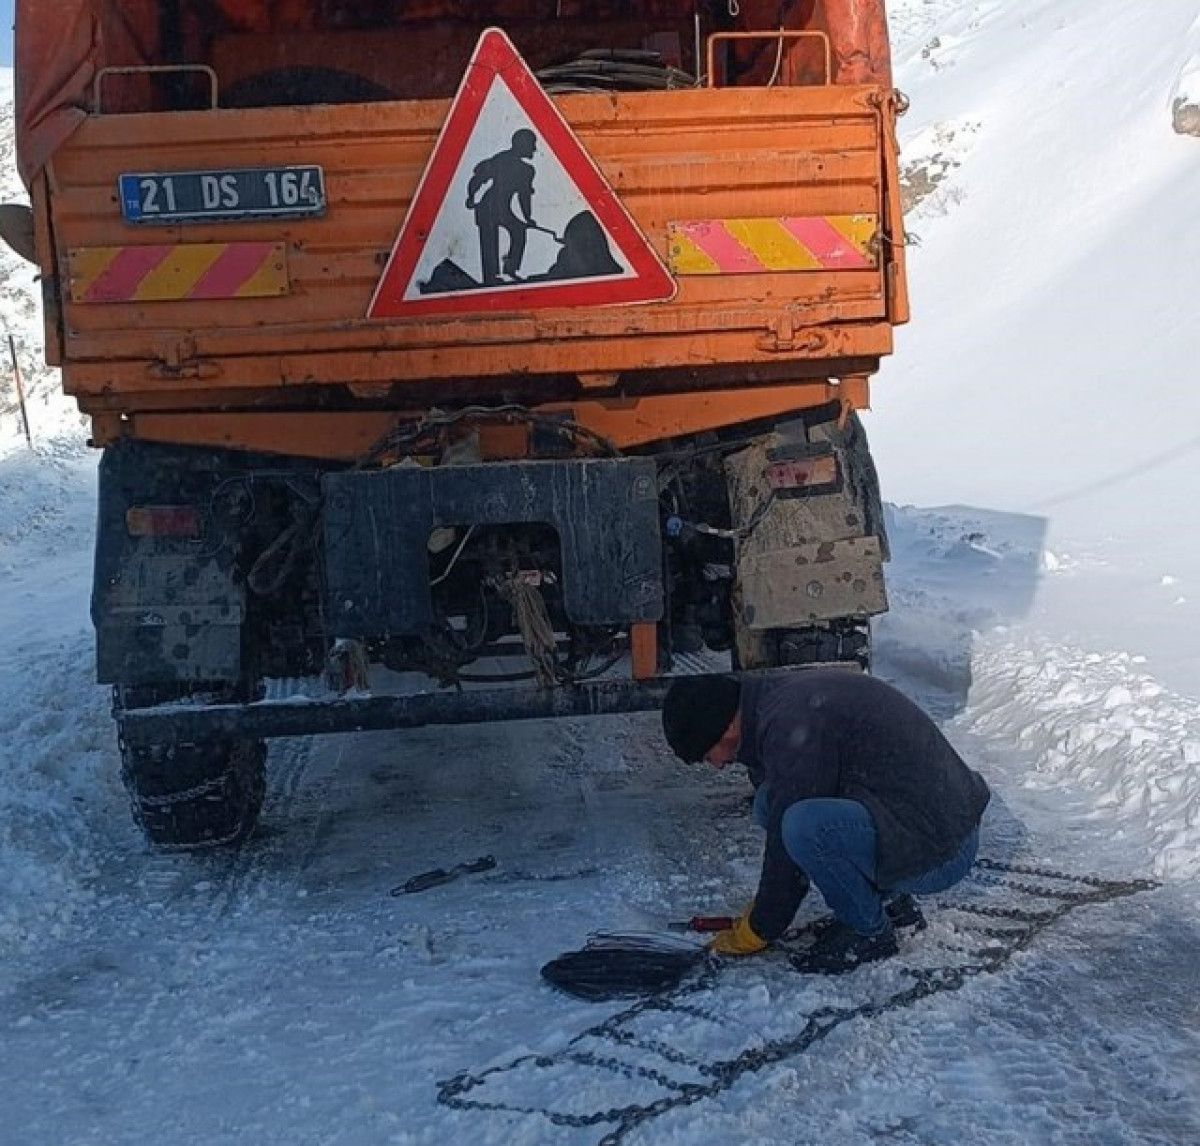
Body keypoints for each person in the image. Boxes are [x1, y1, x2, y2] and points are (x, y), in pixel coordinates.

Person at [661, 670, 990, 973]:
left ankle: (869, 933)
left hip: (941, 850)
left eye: (708, 755)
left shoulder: (789, 725)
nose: (716, 767)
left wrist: (761, 926)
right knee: (769, 803)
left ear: (726, 728)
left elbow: (786, 846)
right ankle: (890, 904)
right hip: (929, 822)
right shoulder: (773, 702)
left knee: (803, 827)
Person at [465, 129, 539, 285]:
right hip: (487, 207)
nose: (534, 149)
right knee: (489, 241)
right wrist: (471, 197)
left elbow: (524, 197)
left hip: (503, 208)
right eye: (532, 145)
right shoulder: (500, 160)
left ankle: (510, 269)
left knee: (519, 230)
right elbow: (478, 179)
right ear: (522, 145)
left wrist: (527, 218)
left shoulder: (527, 171)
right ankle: (490, 277)